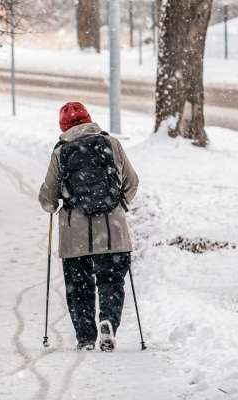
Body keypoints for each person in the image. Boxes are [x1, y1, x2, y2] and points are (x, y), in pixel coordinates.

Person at [38, 102, 139, 352]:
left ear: (63, 127)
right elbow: (132, 182)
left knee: (78, 287)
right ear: (89, 119)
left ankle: (85, 338)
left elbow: (47, 197)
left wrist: (53, 206)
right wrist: (119, 204)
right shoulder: (111, 144)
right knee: (111, 280)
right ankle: (108, 322)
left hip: (75, 235)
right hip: (112, 228)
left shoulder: (61, 152)